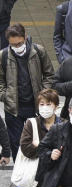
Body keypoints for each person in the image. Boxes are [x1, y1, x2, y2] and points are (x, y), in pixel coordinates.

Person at [0, 23, 55, 154]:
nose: (17, 47)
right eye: (13, 45)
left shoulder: (38, 51)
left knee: (39, 142)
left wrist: (43, 93)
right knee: (16, 145)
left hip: (35, 106)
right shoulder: (3, 55)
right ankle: (20, 171)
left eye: (19, 44)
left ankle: (38, 171)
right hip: (14, 109)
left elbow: (50, 74)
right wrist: (5, 96)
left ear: (25, 37)